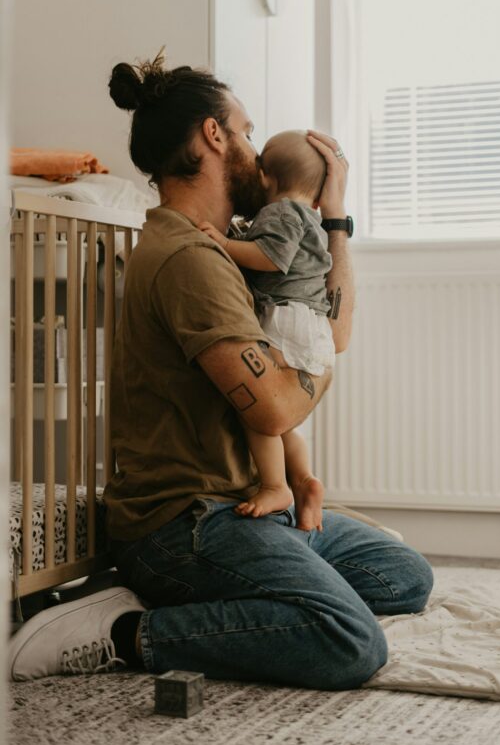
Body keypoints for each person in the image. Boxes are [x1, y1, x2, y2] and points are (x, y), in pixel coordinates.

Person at [8, 51, 433, 689]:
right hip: (183, 523)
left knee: (404, 575)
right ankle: (123, 633)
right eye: (247, 131)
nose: (255, 151)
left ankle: (226, 598)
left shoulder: (240, 240)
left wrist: (334, 217)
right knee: (349, 641)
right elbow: (277, 407)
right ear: (214, 134)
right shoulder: (191, 258)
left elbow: (332, 336)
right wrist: (310, 364)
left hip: (246, 508)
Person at [199, 129, 335, 532]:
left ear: (267, 178)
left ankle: (276, 485)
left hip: (285, 315)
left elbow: (271, 258)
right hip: (312, 325)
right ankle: (304, 480)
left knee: (257, 412)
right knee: (283, 420)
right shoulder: (309, 217)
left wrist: (223, 243)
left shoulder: (279, 212)